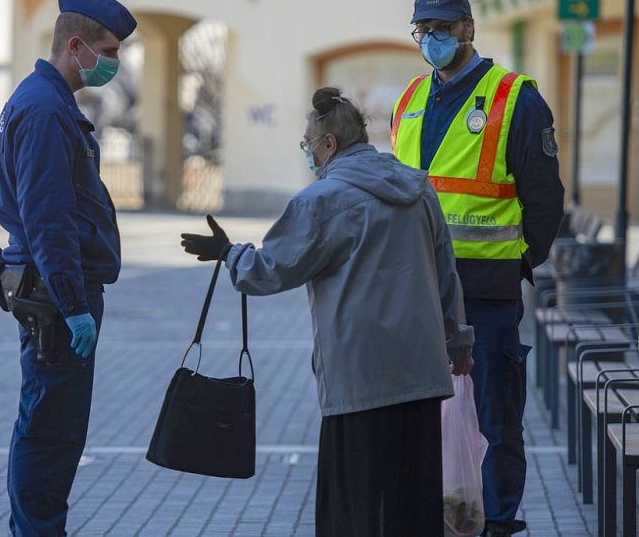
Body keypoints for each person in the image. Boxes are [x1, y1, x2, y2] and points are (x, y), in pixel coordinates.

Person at [181, 87, 474, 537]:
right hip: (421, 374)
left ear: (329, 144)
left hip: (358, 382)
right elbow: (445, 277)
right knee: (413, 506)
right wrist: (458, 346)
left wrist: (229, 253)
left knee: (353, 510)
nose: (308, 153)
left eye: (308, 144)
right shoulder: (419, 190)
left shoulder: (321, 201)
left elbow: (271, 270)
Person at [390, 0, 565, 537]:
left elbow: (544, 200)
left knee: (495, 414)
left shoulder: (516, 98)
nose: (433, 39)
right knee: (417, 411)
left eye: (443, 27)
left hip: (485, 289)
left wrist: (517, 261)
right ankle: (434, 513)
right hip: (417, 284)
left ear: (468, 27)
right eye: (424, 30)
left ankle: (495, 521)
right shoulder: (411, 97)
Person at [0, 0, 136, 537]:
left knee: (49, 427)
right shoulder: (46, 110)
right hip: (55, 299)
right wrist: (73, 304)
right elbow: (48, 218)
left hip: (48, 289)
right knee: (50, 432)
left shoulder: (39, 99)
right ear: (76, 46)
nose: (115, 63)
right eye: (109, 50)